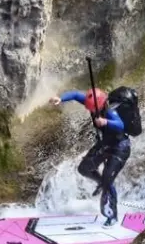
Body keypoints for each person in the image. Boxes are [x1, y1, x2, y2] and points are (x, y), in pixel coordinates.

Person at [48, 88, 131, 225]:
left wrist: (105, 122)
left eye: (92, 109)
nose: (91, 111)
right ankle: (100, 182)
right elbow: (75, 94)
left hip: (120, 148)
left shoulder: (110, 111)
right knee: (84, 169)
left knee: (107, 180)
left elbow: (120, 125)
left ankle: (112, 216)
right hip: (105, 144)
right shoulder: (93, 103)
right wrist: (61, 99)